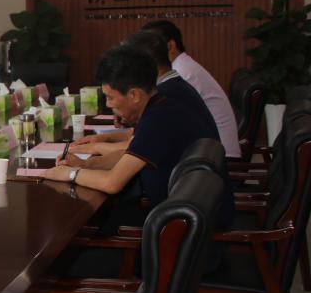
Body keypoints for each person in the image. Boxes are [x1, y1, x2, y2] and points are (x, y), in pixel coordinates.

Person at [45, 45, 232, 229]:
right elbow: (129, 156)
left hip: (180, 229)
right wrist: (86, 164)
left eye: (110, 97)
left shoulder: (158, 119)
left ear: (134, 94)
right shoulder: (161, 105)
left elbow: (112, 183)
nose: (108, 104)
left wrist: (70, 174)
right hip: (187, 216)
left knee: (88, 226)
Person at [68, 30, 219, 164]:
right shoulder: (170, 87)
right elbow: (141, 137)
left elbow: (136, 147)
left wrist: (93, 150)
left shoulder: (166, 97)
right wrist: (104, 139)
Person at [142, 20, 242, 159]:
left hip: (217, 158)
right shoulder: (181, 66)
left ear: (170, 46)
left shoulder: (182, 72)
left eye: (150, 47)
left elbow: (161, 122)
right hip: (208, 150)